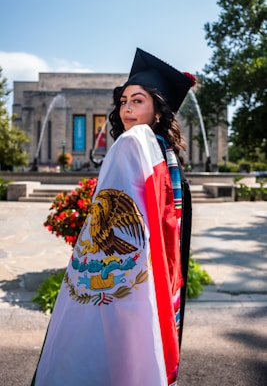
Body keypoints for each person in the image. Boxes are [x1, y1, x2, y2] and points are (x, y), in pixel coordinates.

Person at [31, 48, 196, 386]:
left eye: (137, 101)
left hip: (130, 279)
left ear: (158, 109)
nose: (127, 110)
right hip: (159, 274)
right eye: (123, 102)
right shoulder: (163, 151)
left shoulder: (134, 145)